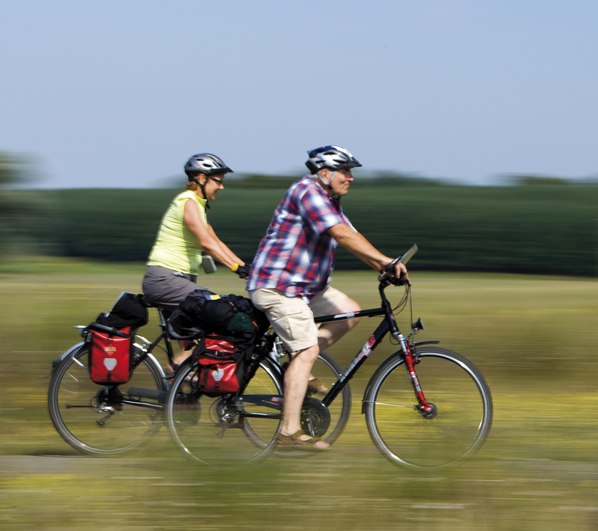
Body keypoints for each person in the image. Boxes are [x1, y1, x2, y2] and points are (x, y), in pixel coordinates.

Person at [246, 145, 408, 451]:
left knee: (350, 310)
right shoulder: (307, 192)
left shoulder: (331, 202)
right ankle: (288, 431)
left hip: (306, 288)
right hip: (279, 287)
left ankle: (299, 365)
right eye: (346, 171)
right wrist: (386, 261)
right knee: (306, 350)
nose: (351, 178)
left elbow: (354, 239)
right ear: (325, 173)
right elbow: (343, 236)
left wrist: (384, 268)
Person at [142, 153, 249, 370]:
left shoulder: (197, 206)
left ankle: (179, 393)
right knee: (219, 311)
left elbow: (216, 241)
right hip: (166, 280)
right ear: (201, 178)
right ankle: (178, 380)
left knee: (193, 341)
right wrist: (237, 268)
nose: (221, 187)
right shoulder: (188, 201)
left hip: (177, 280)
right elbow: (206, 243)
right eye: (218, 181)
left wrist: (247, 267)